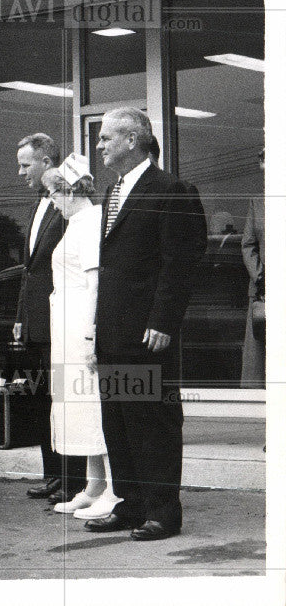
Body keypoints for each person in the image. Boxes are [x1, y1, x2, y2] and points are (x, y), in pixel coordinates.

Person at [85, 108, 206, 541]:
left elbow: (182, 262)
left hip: (149, 333)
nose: (98, 146)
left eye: (104, 138)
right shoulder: (113, 190)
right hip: (115, 331)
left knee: (153, 422)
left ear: (132, 139)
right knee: (118, 421)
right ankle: (132, 505)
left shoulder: (172, 189)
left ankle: (162, 513)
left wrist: (164, 320)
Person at [41, 157, 120, 520]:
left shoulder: (89, 223)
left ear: (69, 190)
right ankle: (93, 486)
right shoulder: (76, 223)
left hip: (81, 328)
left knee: (94, 406)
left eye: (53, 193)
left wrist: (92, 336)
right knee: (80, 404)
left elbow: (95, 283)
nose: (51, 201)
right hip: (66, 328)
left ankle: (115, 489)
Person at [14, 133, 86, 504]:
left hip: (61, 319)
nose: (21, 171)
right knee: (42, 399)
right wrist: (20, 316)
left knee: (63, 398)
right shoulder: (37, 206)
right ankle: (53, 474)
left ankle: (73, 479)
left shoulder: (68, 203)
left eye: (27, 164)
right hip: (36, 320)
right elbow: (30, 268)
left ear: (47, 162)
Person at [241, 148, 265, 387]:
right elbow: (248, 244)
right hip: (262, 292)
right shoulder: (257, 202)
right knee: (257, 356)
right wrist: (260, 276)